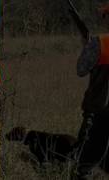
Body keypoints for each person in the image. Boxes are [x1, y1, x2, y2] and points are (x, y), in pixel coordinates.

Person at [71, 4, 109, 180]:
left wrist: (87, 47)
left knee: (84, 164)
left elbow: (81, 69)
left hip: (98, 112)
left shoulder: (100, 43)